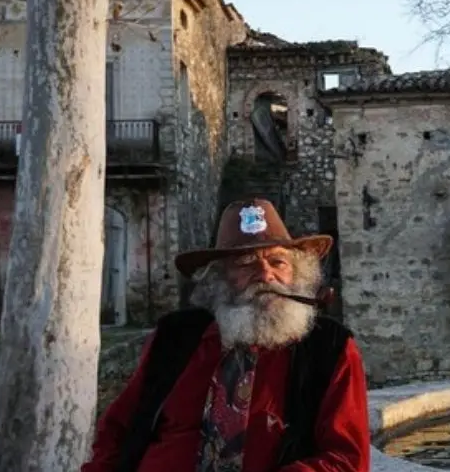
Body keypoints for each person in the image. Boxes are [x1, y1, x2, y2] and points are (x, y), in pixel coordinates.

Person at [83, 199, 370, 472]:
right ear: (219, 277)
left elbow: (346, 460)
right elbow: (117, 430)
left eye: (278, 262)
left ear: (297, 274)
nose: (265, 274)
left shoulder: (330, 349)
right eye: (246, 262)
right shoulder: (175, 336)